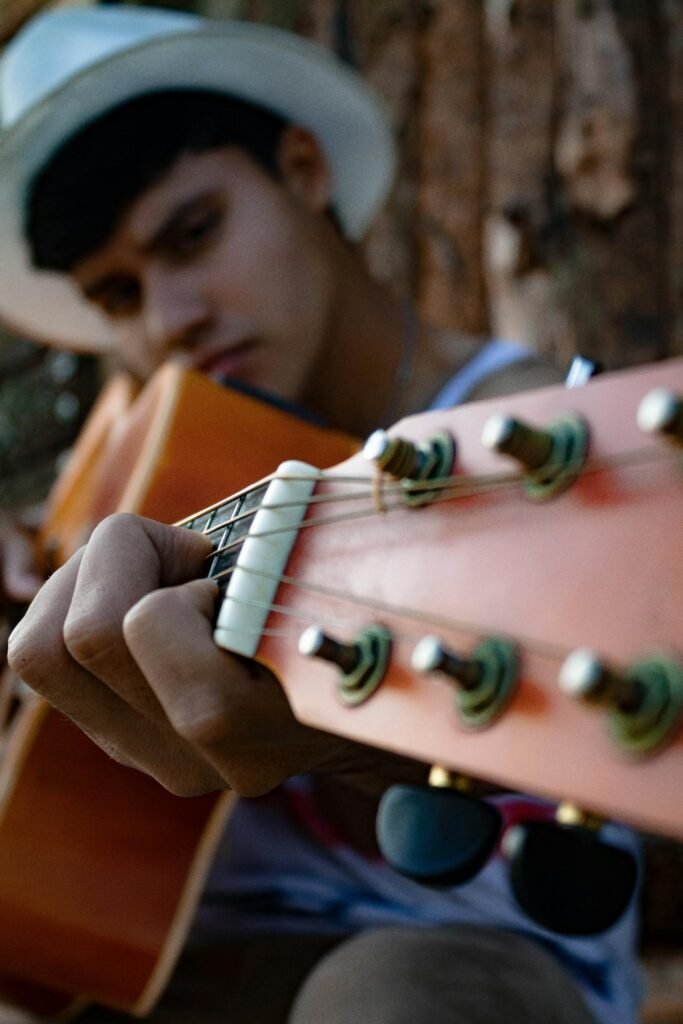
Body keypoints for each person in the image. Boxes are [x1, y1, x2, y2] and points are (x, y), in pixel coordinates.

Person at [1, 7, 641, 1024]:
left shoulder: (522, 439)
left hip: (446, 951)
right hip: (130, 953)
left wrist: (348, 737)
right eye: (116, 295)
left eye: (193, 233)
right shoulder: (162, 455)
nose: (170, 319)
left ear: (302, 171)